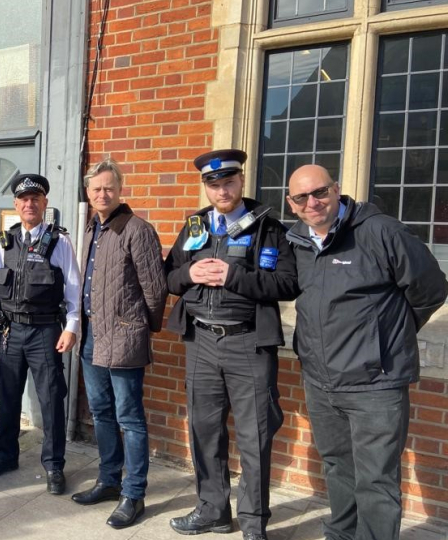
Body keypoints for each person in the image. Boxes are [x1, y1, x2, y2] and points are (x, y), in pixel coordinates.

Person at [286, 164, 448, 540]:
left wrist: (384, 334)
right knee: (338, 466)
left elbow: (431, 289)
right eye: (302, 197)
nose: (313, 202)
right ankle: (341, 534)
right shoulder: (298, 242)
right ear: (292, 204)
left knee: (376, 479)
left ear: (337, 189)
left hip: (376, 384)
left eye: (320, 192)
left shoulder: (381, 231)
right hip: (321, 382)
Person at [165, 149, 299, 540]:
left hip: (248, 343)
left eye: (229, 181)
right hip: (201, 341)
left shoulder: (267, 228)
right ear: (205, 187)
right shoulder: (194, 226)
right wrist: (190, 271)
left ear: (241, 181)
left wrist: (234, 276)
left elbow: (289, 284)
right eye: (213, 183)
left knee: (256, 435)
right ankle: (213, 511)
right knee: (204, 430)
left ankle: (254, 524)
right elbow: (169, 277)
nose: (222, 190)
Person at [70, 159, 168, 528]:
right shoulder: (91, 229)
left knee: (130, 417)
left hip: (124, 336)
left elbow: (155, 289)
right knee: (100, 413)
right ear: (88, 192)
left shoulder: (137, 229)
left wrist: (142, 328)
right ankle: (109, 481)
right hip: (92, 337)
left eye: (108, 187)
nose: (102, 193)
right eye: (95, 188)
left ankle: (134, 492)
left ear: (120, 189)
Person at [0, 173, 81, 495]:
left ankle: (53, 465)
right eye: (24, 199)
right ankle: (5, 455)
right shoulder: (5, 240)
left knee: (51, 399)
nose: (29, 204)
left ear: (44, 203)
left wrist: (72, 327)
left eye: (35, 198)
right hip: (9, 330)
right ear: (16, 204)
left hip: (45, 331)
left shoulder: (59, 241)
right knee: (6, 398)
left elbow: (74, 288)